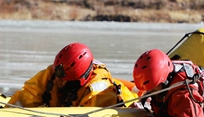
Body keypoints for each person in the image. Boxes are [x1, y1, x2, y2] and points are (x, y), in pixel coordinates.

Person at [9, 43, 137, 108]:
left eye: (65, 80)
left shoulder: (100, 91)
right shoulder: (51, 75)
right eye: (58, 77)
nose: (59, 82)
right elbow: (26, 96)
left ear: (80, 79)